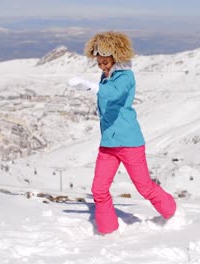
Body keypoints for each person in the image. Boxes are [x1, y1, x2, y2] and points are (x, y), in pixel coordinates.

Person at [67, 31, 177, 235]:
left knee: (144, 187)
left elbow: (114, 93)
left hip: (129, 143)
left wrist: (91, 87)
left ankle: (172, 213)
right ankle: (108, 232)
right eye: (99, 63)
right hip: (109, 144)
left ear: (116, 57)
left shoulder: (126, 76)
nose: (103, 66)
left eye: (106, 62)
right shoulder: (105, 77)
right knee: (99, 190)